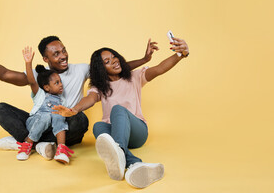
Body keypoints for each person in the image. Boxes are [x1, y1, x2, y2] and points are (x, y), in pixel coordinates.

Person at [0, 25, 158, 160]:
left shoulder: (81, 69)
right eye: (56, 54)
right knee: (0, 109)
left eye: (64, 50)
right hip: (40, 121)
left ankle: (28, 142)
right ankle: (40, 144)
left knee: (81, 120)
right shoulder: (39, 75)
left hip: (66, 126)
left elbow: (112, 68)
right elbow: (4, 74)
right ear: (45, 58)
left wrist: (143, 59)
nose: (63, 55)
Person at [53, 36, 189, 188]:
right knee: (98, 127)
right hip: (116, 133)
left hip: (138, 133)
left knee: (117, 109)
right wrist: (74, 110)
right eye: (107, 61)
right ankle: (133, 164)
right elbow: (90, 99)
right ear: (101, 69)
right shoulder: (100, 87)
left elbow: (159, 69)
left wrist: (180, 54)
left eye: (114, 56)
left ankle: (120, 156)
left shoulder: (134, 77)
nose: (114, 61)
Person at [17, 46, 73, 163]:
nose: (61, 85)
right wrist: (28, 63)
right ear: (47, 87)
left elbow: (64, 115)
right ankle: (27, 144)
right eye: (57, 83)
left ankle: (61, 149)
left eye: (60, 82)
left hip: (48, 129)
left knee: (59, 115)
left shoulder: (62, 100)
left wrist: (68, 112)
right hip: (35, 122)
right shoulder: (40, 94)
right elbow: (32, 81)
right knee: (46, 115)